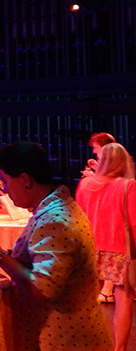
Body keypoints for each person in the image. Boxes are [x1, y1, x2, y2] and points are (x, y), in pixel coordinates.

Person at [0, 141, 113, 351]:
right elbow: (43, 262)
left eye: (5, 181)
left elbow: (42, 289)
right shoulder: (55, 208)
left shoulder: (55, 220)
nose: (5, 192)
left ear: (24, 180)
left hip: (68, 340)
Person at [75, 143, 136, 351]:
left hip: (90, 247)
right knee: (124, 299)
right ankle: (119, 349)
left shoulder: (85, 185)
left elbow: (78, 218)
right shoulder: (128, 186)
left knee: (87, 300)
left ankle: (86, 343)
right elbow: (134, 222)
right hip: (119, 249)